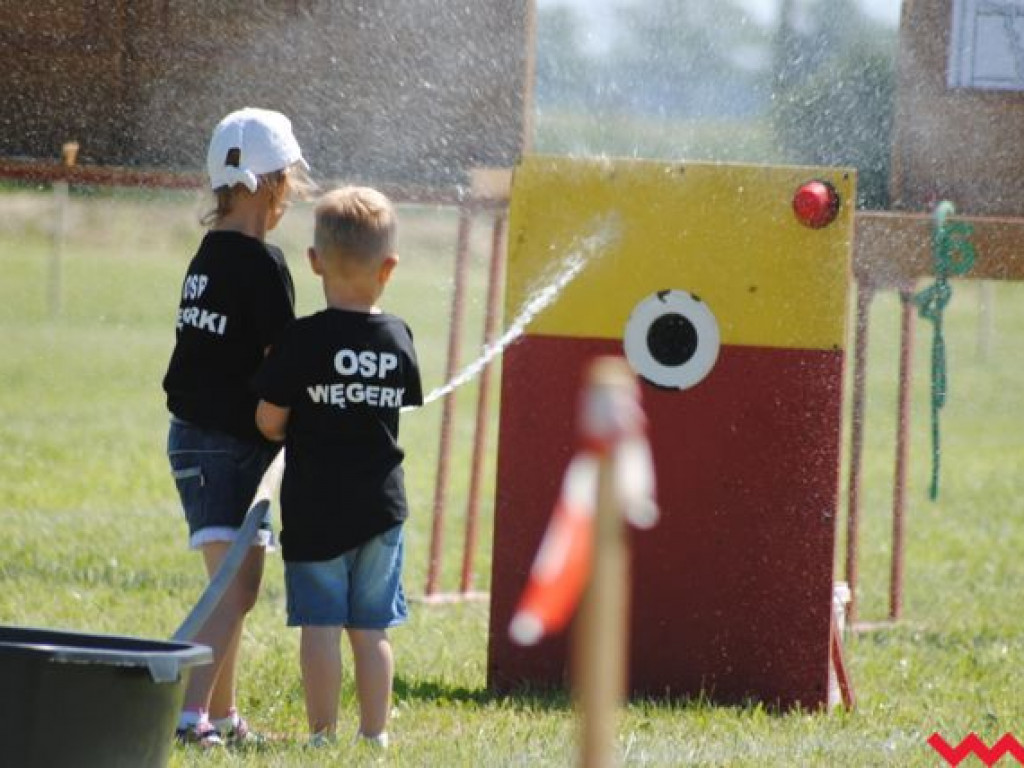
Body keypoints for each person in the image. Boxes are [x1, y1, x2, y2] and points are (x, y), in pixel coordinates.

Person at [252, 186, 422, 749]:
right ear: (389, 267)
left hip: (317, 508)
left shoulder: (300, 339)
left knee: (321, 626)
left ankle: (322, 737)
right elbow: (391, 405)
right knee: (370, 630)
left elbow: (269, 421)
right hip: (380, 507)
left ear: (315, 261)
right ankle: (374, 736)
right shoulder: (399, 337)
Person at [163, 107, 309, 748]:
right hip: (227, 447)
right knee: (236, 590)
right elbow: (283, 363)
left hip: (193, 437)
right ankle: (185, 716)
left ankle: (221, 717)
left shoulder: (207, 256)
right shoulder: (263, 264)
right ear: (274, 185)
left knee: (231, 589)